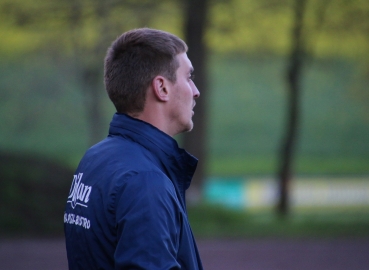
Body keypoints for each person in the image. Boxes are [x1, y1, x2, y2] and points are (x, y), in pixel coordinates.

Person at [64, 28, 203, 269]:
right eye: (189, 77)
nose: (195, 91)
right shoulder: (145, 180)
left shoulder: (95, 158)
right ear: (162, 88)